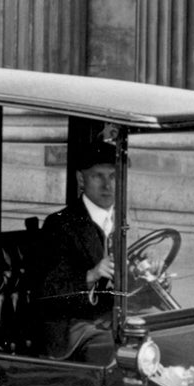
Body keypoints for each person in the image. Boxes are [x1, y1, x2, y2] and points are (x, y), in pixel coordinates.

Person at [36, 141, 120, 360]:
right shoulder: (60, 225)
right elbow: (50, 292)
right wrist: (92, 275)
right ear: (81, 179)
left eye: (113, 176)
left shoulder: (124, 221)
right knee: (122, 346)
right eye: (98, 176)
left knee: (167, 332)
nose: (107, 185)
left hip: (113, 317)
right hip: (72, 326)